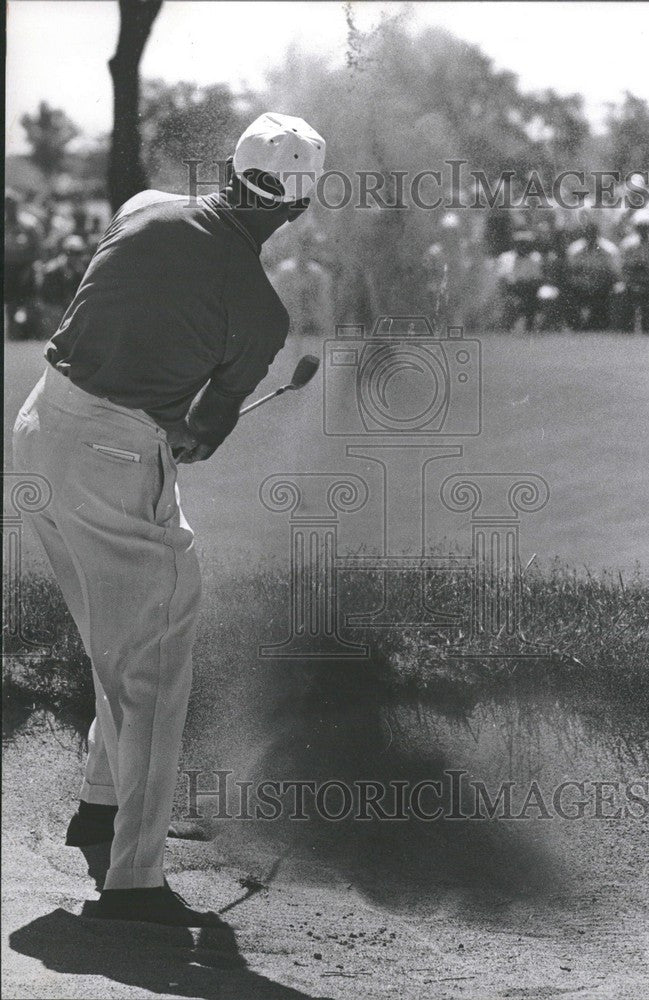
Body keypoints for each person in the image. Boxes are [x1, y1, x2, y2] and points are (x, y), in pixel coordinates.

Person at [12, 112, 326, 926]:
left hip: (40, 429)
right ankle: (135, 883)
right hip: (118, 458)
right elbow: (207, 429)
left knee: (110, 634)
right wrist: (184, 433)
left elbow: (120, 297)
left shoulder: (143, 204)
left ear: (229, 166)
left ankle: (101, 801)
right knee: (150, 666)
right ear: (298, 208)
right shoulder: (262, 315)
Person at [563, 217, 621, 330]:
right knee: (568, 291)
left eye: (593, 232)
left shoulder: (609, 250)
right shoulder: (575, 249)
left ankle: (606, 325)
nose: (590, 235)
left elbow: (614, 274)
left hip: (603, 287)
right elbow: (570, 273)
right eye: (588, 232)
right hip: (580, 286)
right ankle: (574, 326)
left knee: (616, 291)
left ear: (597, 233)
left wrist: (598, 282)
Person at [4, 190, 42, 338]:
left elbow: (38, 248)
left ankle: (30, 333)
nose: (10, 208)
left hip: (26, 268)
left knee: (29, 301)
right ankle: (12, 333)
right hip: (8, 269)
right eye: (7, 205)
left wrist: (31, 267)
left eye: (12, 204)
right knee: (11, 303)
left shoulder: (29, 224)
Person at [498, 230, 543, 332]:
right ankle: (506, 328)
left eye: (526, 243)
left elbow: (537, 279)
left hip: (529, 290)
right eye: (521, 243)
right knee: (511, 301)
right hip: (511, 290)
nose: (523, 246)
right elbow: (502, 279)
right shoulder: (505, 257)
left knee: (530, 299)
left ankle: (529, 327)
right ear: (515, 244)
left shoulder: (535, 258)